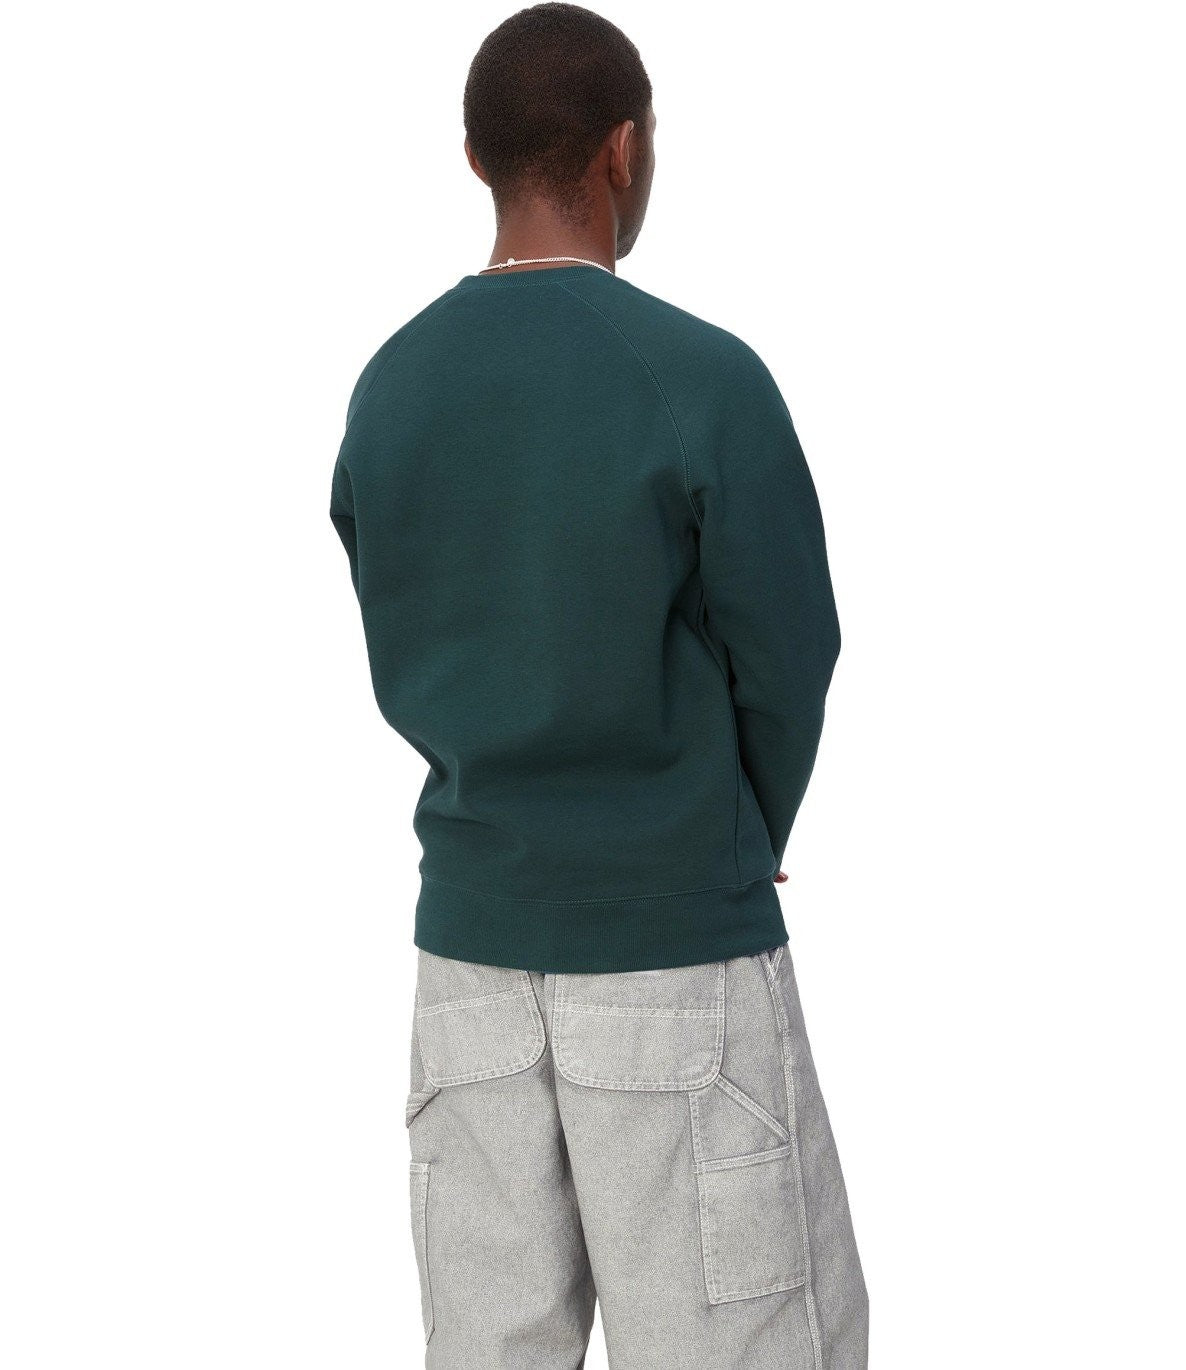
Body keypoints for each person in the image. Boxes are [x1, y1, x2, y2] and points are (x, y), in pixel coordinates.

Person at [329, 5, 867, 1365]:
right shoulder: (701, 377)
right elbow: (790, 649)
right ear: (624, 150)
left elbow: (408, 630)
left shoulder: (388, 388)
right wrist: (743, 827)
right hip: (675, 945)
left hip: (467, 960)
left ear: (474, 158)